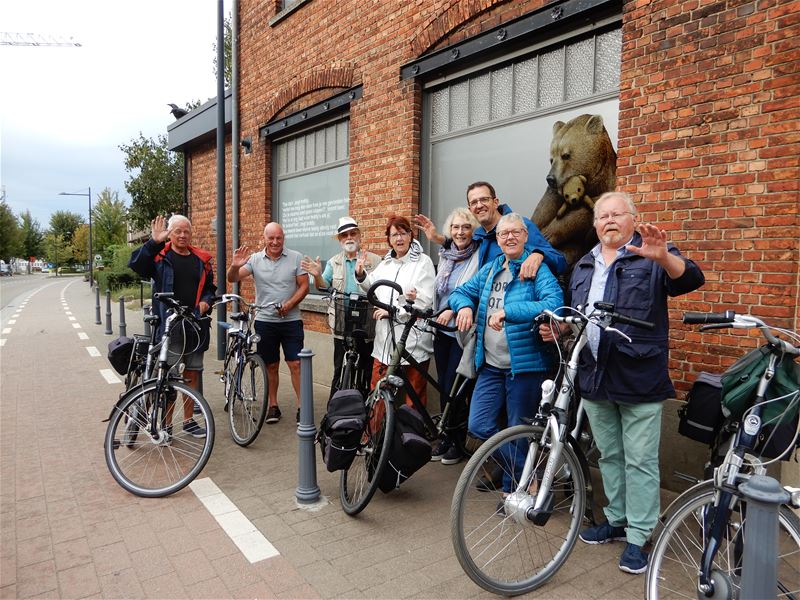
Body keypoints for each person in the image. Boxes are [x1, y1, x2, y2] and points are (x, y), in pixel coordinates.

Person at [539, 191, 705, 574]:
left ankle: (640, 535)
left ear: (633, 219)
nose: (609, 221)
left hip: (639, 377)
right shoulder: (583, 266)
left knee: (641, 462)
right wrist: (561, 326)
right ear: (595, 225)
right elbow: (580, 317)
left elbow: (691, 278)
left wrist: (664, 256)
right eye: (603, 216)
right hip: (595, 377)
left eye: (617, 214)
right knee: (610, 455)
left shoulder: (650, 253)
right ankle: (616, 520)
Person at [448, 213, 563, 491]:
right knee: (479, 424)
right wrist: (463, 305)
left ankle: (515, 491)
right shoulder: (491, 268)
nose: (509, 238)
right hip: (490, 364)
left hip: (525, 366)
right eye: (503, 234)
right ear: (497, 239)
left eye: (515, 233)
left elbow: (554, 303)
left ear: (525, 236)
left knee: (517, 431)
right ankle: (526, 472)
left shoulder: (537, 269)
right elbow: (461, 291)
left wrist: (509, 312)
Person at [128, 214, 215, 438]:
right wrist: (153, 241)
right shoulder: (159, 257)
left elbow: (210, 288)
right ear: (170, 233)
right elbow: (136, 264)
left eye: (186, 231)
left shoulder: (201, 260)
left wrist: (206, 301)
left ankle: (188, 421)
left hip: (195, 325)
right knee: (169, 378)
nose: (183, 235)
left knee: (193, 375)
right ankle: (166, 425)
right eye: (178, 231)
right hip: (170, 326)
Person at [227, 223, 309, 424]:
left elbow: (304, 286)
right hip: (265, 321)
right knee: (271, 366)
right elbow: (232, 278)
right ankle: (273, 406)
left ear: (284, 238)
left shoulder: (295, 257)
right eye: (270, 238)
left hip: (291, 321)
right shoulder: (254, 259)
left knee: (296, 364)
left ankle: (302, 408)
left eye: (278, 238)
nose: (274, 242)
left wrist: (289, 304)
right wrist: (235, 265)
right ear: (264, 238)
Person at [355, 215, 436, 407]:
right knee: (378, 389)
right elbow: (372, 286)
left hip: (413, 340)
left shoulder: (422, 263)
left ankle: (412, 436)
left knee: (414, 396)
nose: (399, 239)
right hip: (385, 341)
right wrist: (360, 274)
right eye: (394, 235)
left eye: (403, 233)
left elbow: (425, 300)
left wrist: (393, 311)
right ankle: (374, 435)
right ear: (389, 240)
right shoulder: (386, 263)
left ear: (410, 235)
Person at [414, 180, 567, 278]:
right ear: (470, 208)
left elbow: (559, 262)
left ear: (495, 202)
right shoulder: (478, 235)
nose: (479, 205)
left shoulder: (519, 226)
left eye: (484, 199)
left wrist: (538, 255)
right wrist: (437, 238)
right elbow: (460, 245)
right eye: (474, 202)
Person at [301, 216, 381, 399]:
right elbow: (323, 285)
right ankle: (334, 410)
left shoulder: (375, 260)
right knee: (339, 369)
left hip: (367, 324)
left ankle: (363, 410)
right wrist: (317, 275)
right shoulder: (334, 262)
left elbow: (381, 290)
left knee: (366, 369)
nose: (349, 237)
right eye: (344, 235)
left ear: (359, 236)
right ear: (340, 240)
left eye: (353, 233)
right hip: (341, 322)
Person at [430, 207, 481, 465]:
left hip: (462, 332)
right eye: (456, 227)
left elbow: (473, 292)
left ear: (474, 230)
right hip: (441, 330)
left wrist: (453, 308)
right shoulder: (446, 256)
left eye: (466, 227)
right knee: (443, 385)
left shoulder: (478, 257)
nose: (460, 232)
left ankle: (457, 442)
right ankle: (446, 437)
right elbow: (438, 292)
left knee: (456, 386)